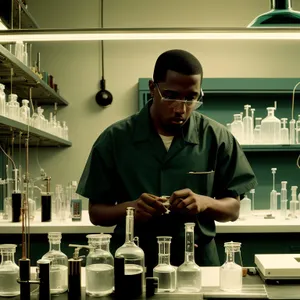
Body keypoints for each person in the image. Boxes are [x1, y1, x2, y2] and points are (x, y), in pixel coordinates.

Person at [77, 49, 257, 274]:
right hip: (134, 264)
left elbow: (233, 209)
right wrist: (131, 208)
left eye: (191, 98)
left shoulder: (217, 138)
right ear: (154, 88)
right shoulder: (115, 139)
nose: (181, 108)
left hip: (198, 263)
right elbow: (96, 213)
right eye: (171, 95)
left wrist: (204, 202)